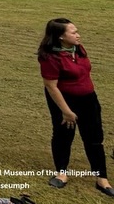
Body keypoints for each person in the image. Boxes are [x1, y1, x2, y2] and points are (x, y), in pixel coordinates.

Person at [38, 19, 114, 195]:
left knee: (94, 138)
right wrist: (66, 111)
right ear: (60, 37)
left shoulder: (78, 48)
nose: (78, 35)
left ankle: (101, 178)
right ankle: (61, 173)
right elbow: (51, 86)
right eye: (73, 33)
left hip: (88, 99)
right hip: (63, 101)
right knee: (63, 136)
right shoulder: (50, 57)